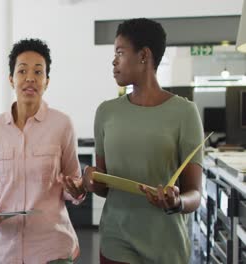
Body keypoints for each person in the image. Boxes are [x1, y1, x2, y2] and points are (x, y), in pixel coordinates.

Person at [82, 18, 204, 263]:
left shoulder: (185, 113)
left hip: (166, 246)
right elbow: (104, 186)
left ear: (144, 55)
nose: (114, 61)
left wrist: (177, 201)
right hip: (116, 242)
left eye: (120, 52)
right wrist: (90, 180)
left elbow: (195, 194)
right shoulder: (106, 112)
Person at [0, 38, 86, 264]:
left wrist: (78, 189)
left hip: (52, 249)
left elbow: (74, 185)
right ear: (11, 79)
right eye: (22, 71)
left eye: (38, 72)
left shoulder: (62, 124)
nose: (30, 78)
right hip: (7, 251)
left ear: (47, 81)